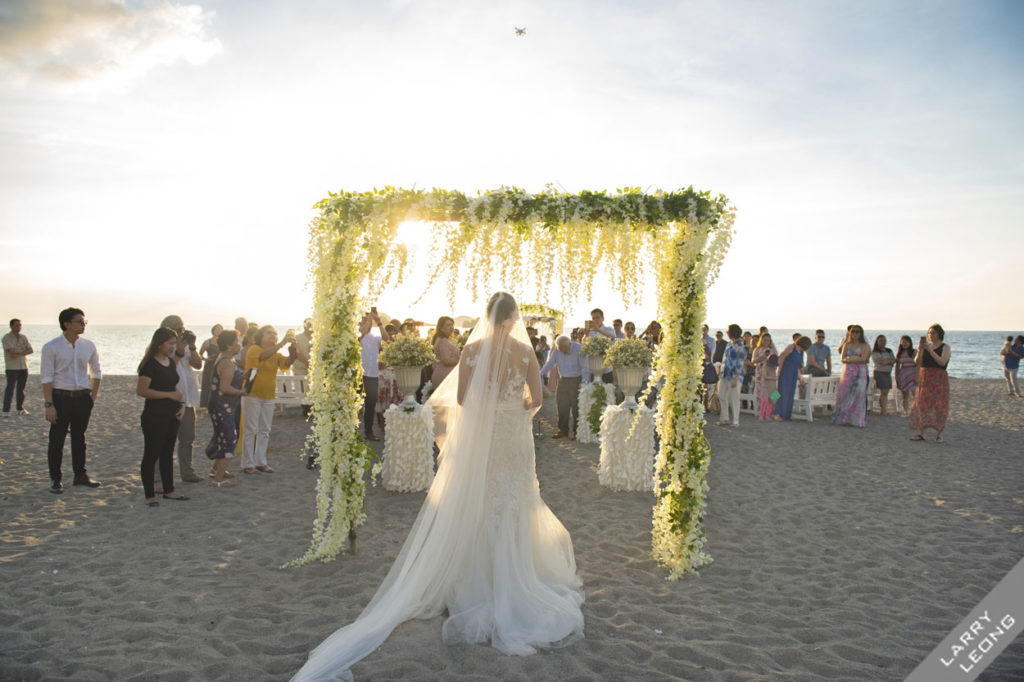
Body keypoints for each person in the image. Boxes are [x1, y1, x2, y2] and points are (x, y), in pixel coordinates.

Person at [294, 292, 583, 681]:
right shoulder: (523, 351)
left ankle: (476, 580)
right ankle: (517, 578)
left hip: (484, 434)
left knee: (481, 500)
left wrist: (488, 409)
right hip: (513, 434)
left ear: (486, 316)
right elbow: (537, 396)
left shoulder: (472, 350)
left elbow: (462, 398)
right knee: (515, 499)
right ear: (513, 317)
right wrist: (514, 409)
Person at [40, 308, 101, 493]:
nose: (83, 325)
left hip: (83, 397)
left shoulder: (88, 345)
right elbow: (46, 377)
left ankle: (80, 475)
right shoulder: (51, 347)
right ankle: (56, 479)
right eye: (79, 322)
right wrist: (49, 404)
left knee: (79, 438)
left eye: (84, 322)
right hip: (60, 398)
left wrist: (93, 397)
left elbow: (96, 371)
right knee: (57, 439)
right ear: (67, 324)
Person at [136, 327, 189, 506]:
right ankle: (149, 494)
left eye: (175, 343)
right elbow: (142, 391)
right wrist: (168, 396)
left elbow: (172, 386)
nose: (173, 347)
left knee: (168, 454)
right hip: (154, 415)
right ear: (159, 344)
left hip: (172, 413)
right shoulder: (149, 364)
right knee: (152, 454)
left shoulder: (171, 362)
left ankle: (169, 490)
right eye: (170, 343)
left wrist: (180, 405)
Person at [241, 325, 296, 473]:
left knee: (264, 430)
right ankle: (248, 463)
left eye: (274, 333)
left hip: (269, 394)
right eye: (269, 333)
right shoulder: (254, 349)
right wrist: (283, 342)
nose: (272, 335)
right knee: (250, 430)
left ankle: (260, 461)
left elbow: (287, 363)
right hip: (252, 394)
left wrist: (293, 349)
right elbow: (262, 356)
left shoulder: (276, 354)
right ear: (261, 336)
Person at [161, 315, 204, 483]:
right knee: (164, 439)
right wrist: (177, 350)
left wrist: (192, 347)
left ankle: (187, 472)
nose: (181, 332)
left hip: (188, 399)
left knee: (187, 438)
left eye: (182, 329)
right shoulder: (160, 347)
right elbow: (167, 367)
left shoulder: (186, 346)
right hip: (169, 398)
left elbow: (198, 365)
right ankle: (160, 477)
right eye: (178, 329)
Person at [206, 330, 244, 487]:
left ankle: (216, 469)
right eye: (236, 341)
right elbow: (225, 387)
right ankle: (218, 480)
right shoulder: (227, 363)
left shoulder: (224, 358)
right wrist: (242, 392)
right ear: (229, 345)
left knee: (221, 435)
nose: (239, 344)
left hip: (219, 405)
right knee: (229, 438)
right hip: (223, 406)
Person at [540, 335, 590, 438]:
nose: (563, 351)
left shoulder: (579, 349)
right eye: (560, 349)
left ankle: (576, 432)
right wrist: (540, 374)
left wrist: (584, 381)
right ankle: (562, 430)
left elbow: (585, 367)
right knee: (561, 406)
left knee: (576, 407)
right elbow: (550, 363)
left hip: (576, 379)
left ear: (569, 344)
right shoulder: (557, 350)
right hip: (563, 379)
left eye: (565, 349)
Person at [910, 324, 952, 443]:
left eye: (932, 332)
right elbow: (917, 362)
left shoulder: (945, 347)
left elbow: (942, 362)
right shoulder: (925, 347)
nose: (930, 335)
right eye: (929, 333)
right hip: (925, 377)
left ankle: (939, 434)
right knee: (922, 404)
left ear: (939, 334)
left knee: (939, 406)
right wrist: (920, 349)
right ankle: (922, 433)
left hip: (939, 377)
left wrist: (931, 350)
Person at [358, 311, 392, 441]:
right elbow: (359, 339)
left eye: (367, 320)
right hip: (359, 376)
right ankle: (350, 432)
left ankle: (368, 431)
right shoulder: (356, 337)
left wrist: (379, 322)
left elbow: (387, 340)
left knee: (370, 405)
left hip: (372, 376)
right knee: (354, 405)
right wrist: (364, 328)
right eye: (363, 320)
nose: (365, 323)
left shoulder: (374, 338)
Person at [832, 326, 871, 427]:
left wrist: (850, 359)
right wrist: (852, 359)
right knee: (844, 394)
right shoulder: (847, 345)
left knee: (859, 394)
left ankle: (856, 420)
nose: (855, 334)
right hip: (848, 372)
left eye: (857, 332)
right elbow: (842, 359)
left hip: (860, 372)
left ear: (861, 333)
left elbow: (863, 359)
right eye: (852, 332)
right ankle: (842, 418)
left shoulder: (864, 345)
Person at [772, 336, 811, 421]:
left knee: (790, 393)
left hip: (793, 373)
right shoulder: (791, 347)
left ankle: (786, 414)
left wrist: (800, 378)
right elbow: (782, 356)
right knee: (782, 392)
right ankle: (777, 413)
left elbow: (797, 366)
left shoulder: (800, 352)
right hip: (786, 371)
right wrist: (779, 369)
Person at [717, 324, 746, 427]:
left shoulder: (740, 346)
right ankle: (724, 418)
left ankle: (736, 420)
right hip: (724, 374)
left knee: (734, 398)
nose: (727, 333)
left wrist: (736, 377)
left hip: (734, 375)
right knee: (721, 396)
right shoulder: (729, 344)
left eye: (728, 331)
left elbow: (740, 362)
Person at [3, 318, 33, 416]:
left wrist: (18, 352)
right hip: (12, 367)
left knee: (21, 389)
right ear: (11, 326)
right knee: (10, 389)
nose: (19, 327)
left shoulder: (23, 337)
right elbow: (11, 351)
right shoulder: (6, 338)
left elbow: (31, 350)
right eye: (17, 325)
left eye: (20, 325)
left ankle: (20, 409)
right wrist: (23, 352)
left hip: (23, 366)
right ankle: (6, 410)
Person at [752, 333, 779, 422]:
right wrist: (762, 357)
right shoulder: (757, 349)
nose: (766, 342)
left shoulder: (772, 350)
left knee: (771, 395)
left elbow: (776, 360)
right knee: (761, 393)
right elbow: (753, 361)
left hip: (770, 372)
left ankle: (768, 413)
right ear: (761, 340)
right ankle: (760, 412)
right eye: (764, 340)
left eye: (768, 340)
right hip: (760, 372)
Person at [198, 323, 223, 410]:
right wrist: (206, 359)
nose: (218, 331)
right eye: (217, 329)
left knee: (219, 384)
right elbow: (199, 354)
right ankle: (206, 405)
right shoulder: (207, 342)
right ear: (213, 331)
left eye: (220, 330)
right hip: (210, 365)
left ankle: (217, 404)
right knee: (208, 384)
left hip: (220, 366)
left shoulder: (223, 343)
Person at [430, 316, 460, 388]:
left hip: (443, 374)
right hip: (445, 376)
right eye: (448, 325)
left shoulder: (440, 339)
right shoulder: (443, 341)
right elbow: (446, 360)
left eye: (452, 325)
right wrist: (461, 361)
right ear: (441, 327)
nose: (451, 327)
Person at [586, 308, 615, 383]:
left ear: (603, 318)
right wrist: (586, 333)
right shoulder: (590, 332)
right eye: (593, 318)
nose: (596, 320)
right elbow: (584, 344)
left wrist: (598, 329)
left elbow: (612, 337)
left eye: (598, 317)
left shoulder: (608, 329)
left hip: (607, 369)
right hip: (593, 368)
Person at [871, 335, 896, 416]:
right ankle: (883, 410)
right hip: (879, 372)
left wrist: (888, 361)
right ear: (877, 341)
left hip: (888, 373)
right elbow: (881, 362)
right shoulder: (875, 352)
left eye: (884, 340)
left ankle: (883, 409)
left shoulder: (889, 350)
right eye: (881, 340)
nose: (883, 342)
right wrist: (889, 361)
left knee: (886, 392)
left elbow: (894, 360)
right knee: (884, 391)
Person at [895, 335, 917, 416]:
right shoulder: (899, 354)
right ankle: (906, 412)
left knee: (915, 394)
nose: (904, 343)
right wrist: (896, 378)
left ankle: (915, 412)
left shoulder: (914, 352)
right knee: (905, 395)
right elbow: (897, 367)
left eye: (906, 342)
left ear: (910, 343)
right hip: (903, 374)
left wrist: (918, 376)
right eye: (903, 342)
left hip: (913, 374)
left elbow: (918, 364)